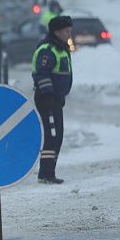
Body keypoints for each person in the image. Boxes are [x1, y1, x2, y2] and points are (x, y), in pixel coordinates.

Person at [32, 15, 73, 184]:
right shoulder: (48, 49)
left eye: (70, 30)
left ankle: (49, 172)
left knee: (58, 135)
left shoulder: (61, 48)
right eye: (66, 31)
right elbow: (41, 73)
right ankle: (46, 174)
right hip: (47, 99)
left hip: (56, 99)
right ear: (57, 32)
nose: (69, 34)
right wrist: (49, 95)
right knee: (52, 136)